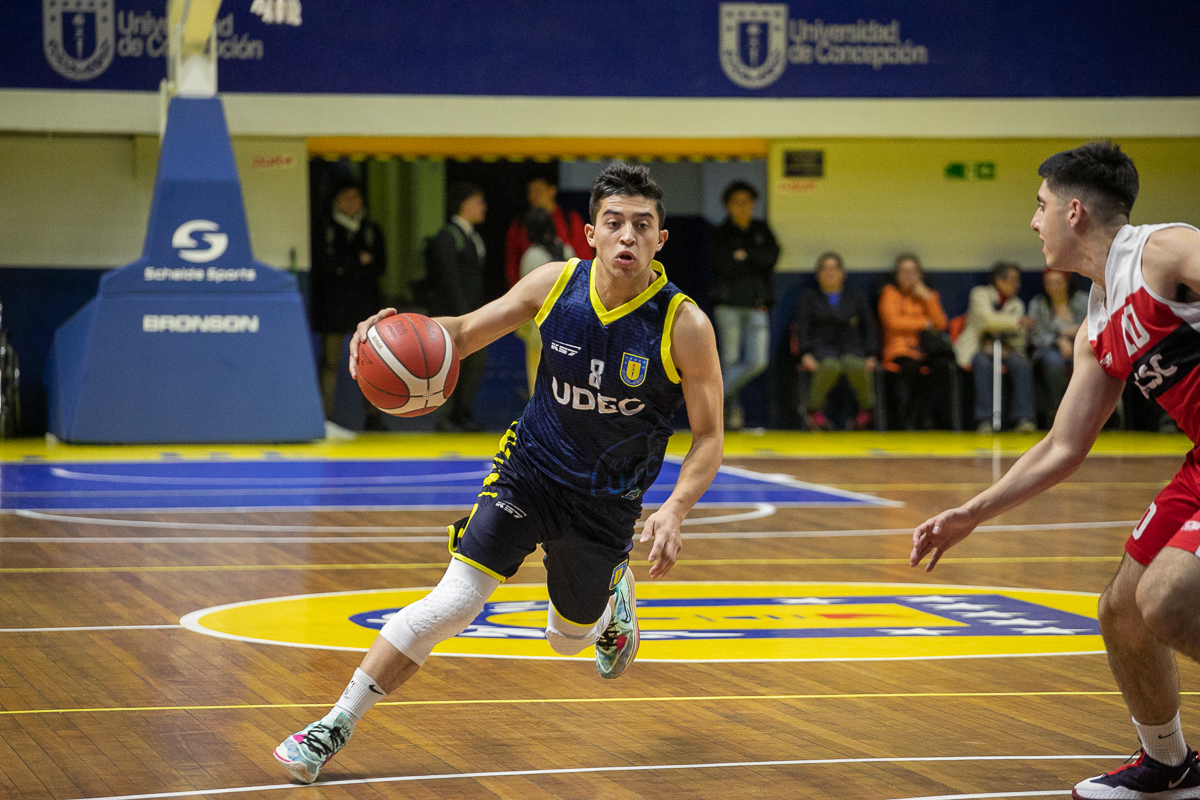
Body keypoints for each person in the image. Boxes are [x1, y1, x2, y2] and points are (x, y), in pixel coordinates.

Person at [274, 162, 725, 785]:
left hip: (605, 503)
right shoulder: (554, 284)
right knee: (452, 603)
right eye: (613, 223)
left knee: (565, 642)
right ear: (589, 233)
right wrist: (385, 335)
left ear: (660, 239)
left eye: (641, 226)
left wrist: (673, 509)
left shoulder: (685, 325)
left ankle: (612, 588)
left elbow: (709, 438)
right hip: (529, 472)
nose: (627, 236)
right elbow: (456, 335)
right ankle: (330, 727)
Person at [911, 141, 1200, 800]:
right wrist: (970, 513)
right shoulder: (1095, 321)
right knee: (1123, 612)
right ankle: (1169, 764)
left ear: (1074, 212)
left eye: (1039, 206)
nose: (1032, 222)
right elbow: (1063, 446)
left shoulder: (1165, 252)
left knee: (1166, 599)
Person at [309, 180, 386, 420]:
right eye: (346, 198)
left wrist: (343, 265)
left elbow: (379, 266)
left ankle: (374, 416)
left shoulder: (372, 230)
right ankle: (324, 417)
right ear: (335, 201)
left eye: (357, 198)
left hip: (365, 307)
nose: (352, 203)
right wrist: (357, 261)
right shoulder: (324, 229)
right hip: (333, 307)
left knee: (372, 362)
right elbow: (323, 265)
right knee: (330, 361)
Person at [711, 180, 780, 431]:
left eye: (746, 202)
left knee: (757, 361)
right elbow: (724, 266)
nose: (742, 207)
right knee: (729, 360)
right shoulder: (721, 233)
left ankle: (712, 395)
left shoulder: (761, 229)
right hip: (728, 306)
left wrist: (745, 255)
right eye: (736, 202)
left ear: (753, 204)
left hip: (757, 305)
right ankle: (732, 413)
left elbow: (771, 258)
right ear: (728, 205)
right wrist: (754, 258)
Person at [427, 182, 489, 432]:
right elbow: (449, 280)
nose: (484, 207)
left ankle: (462, 414)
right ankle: (444, 417)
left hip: (473, 315)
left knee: (473, 365)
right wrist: (463, 317)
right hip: (455, 317)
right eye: (479, 201)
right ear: (465, 204)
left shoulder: (472, 236)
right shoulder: (448, 236)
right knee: (448, 367)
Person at [795, 251, 877, 431]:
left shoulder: (856, 295)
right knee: (830, 366)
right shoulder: (809, 297)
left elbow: (869, 326)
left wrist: (872, 353)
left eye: (834, 268)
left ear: (842, 273)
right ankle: (814, 410)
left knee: (854, 365)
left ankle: (866, 410)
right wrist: (805, 353)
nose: (830, 273)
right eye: (825, 269)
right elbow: (803, 328)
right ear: (818, 274)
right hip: (821, 348)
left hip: (851, 347)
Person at [953, 261, 1037, 433]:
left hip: (1006, 349)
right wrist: (1017, 322)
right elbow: (987, 321)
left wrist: (1008, 341)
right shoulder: (979, 294)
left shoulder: (1017, 304)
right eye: (1013, 280)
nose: (1017, 285)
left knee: (1021, 364)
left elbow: (1020, 337)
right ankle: (985, 420)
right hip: (978, 348)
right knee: (983, 365)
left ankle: (1023, 419)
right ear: (999, 281)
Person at [878, 253, 951, 430]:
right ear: (896, 275)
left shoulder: (929, 295)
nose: (909, 276)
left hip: (926, 350)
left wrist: (927, 298)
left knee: (942, 366)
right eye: (904, 272)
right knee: (912, 369)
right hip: (899, 350)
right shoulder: (890, 293)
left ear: (920, 274)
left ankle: (933, 418)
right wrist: (924, 323)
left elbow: (941, 324)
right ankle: (909, 417)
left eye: (913, 272)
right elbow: (892, 323)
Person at [514, 207, 576, 397]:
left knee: (539, 388)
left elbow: (525, 301)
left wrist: (523, 330)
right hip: (570, 331)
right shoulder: (568, 251)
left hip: (541, 333)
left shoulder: (532, 257)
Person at [504, 173, 592, 289]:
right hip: (531, 294)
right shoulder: (519, 223)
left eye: (538, 191)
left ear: (552, 190)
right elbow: (512, 264)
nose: (533, 196)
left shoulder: (570, 220)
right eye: (530, 192)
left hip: (568, 292)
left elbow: (585, 257)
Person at [1028, 268, 1088, 422]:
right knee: (1053, 361)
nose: (1054, 287)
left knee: (1087, 362)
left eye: (1058, 282)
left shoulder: (1082, 300)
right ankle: (1057, 409)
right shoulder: (1038, 304)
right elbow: (1036, 335)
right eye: (1049, 283)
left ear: (1067, 282)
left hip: (1082, 344)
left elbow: (1095, 323)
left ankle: (1085, 409)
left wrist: (1078, 331)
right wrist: (1058, 339)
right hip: (1048, 348)